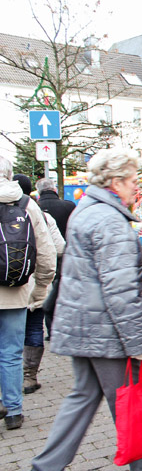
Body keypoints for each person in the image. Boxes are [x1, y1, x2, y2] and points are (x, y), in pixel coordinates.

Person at [25, 149, 142, 471]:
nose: (136, 187)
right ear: (115, 183)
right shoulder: (110, 221)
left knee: (84, 395)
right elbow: (120, 291)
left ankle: (47, 470)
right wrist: (137, 341)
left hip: (83, 324)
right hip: (104, 328)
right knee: (125, 395)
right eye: (132, 181)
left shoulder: (89, 210)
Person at [0, 162, 56, 430]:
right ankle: (13, 410)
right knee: (11, 353)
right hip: (16, 289)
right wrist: (40, 289)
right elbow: (46, 252)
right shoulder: (25, 203)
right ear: (10, 175)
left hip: (16, 290)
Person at [12, 175, 65, 395]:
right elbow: (59, 247)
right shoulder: (39, 215)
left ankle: (8, 382)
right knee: (34, 328)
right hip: (32, 282)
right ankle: (29, 377)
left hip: (6, 287)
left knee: (8, 336)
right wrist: (43, 282)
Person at [34, 178, 76, 339]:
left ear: (39, 192)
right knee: (65, 291)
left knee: (45, 292)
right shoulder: (68, 206)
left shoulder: (35, 208)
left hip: (41, 255)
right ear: (54, 189)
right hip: (65, 255)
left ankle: (51, 330)